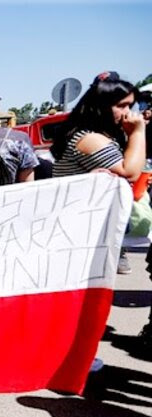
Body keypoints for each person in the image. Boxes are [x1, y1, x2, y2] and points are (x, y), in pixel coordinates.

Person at [52, 71, 146, 275]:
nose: (128, 112)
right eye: (121, 106)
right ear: (101, 107)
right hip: (78, 232)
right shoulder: (90, 139)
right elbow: (130, 172)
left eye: (130, 105)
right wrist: (138, 132)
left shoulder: (96, 135)